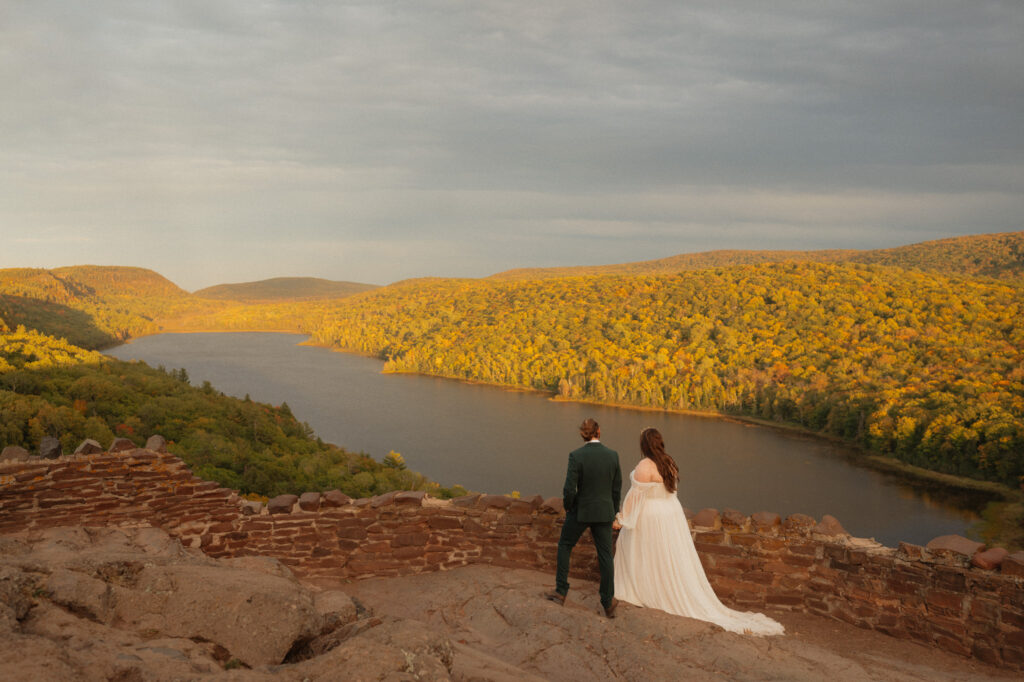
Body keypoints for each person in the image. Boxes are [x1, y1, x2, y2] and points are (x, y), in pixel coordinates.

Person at [613, 427, 784, 636]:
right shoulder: (669, 462)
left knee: (644, 551)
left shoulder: (645, 465)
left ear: (644, 445)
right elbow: (672, 491)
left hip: (652, 515)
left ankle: (647, 588)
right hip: (671, 513)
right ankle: (663, 587)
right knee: (668, 555)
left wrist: (621, 519)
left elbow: (634, 497)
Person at [546, 418, 623, 618]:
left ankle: (561, 591)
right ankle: (607, 602)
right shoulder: (612, 456)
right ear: (599, 431)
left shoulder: (576, 456)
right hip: (604, 512)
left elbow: (569, 488)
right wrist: (613, 511)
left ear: (583, 434)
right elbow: (616, 489)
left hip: (581, 511)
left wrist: (569, 507)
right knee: (606, 556)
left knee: (565, 545)